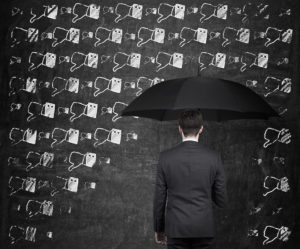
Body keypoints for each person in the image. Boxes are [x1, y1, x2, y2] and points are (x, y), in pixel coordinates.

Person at [153, 108, 228, 249]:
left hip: (176, 229)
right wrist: (206, 187)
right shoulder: (214, 157)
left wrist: (159, 229)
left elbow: (159, 199)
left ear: (180, 129)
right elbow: (222, 200)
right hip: (204, 228)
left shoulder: (166, 158)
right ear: (201, 129)